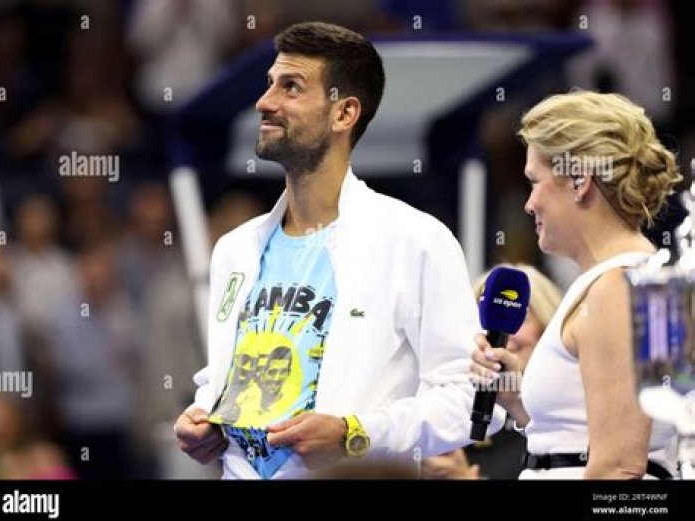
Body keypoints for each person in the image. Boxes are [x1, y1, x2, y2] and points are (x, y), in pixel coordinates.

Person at [175, 21, 503, 479]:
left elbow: (471, 402)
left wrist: (356, 434)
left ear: (344, 113)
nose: (264, 102)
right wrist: (204, 415)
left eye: (291, 87)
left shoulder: (414, 240)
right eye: (270, 83)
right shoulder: (235, 249)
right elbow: (226, 378)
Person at [470, 90, 683, 479]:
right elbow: (587, 437)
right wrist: (518, 401)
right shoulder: (622, 280)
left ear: (580, 181)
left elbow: (618, 468)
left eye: (535, 182)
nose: (528, 203)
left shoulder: (618, 289)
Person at [423, 263, 563, 479]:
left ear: (547, 326)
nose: (500, 335)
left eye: (522, 317)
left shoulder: (566, 413)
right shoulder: (450, 406)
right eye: (483, 317)